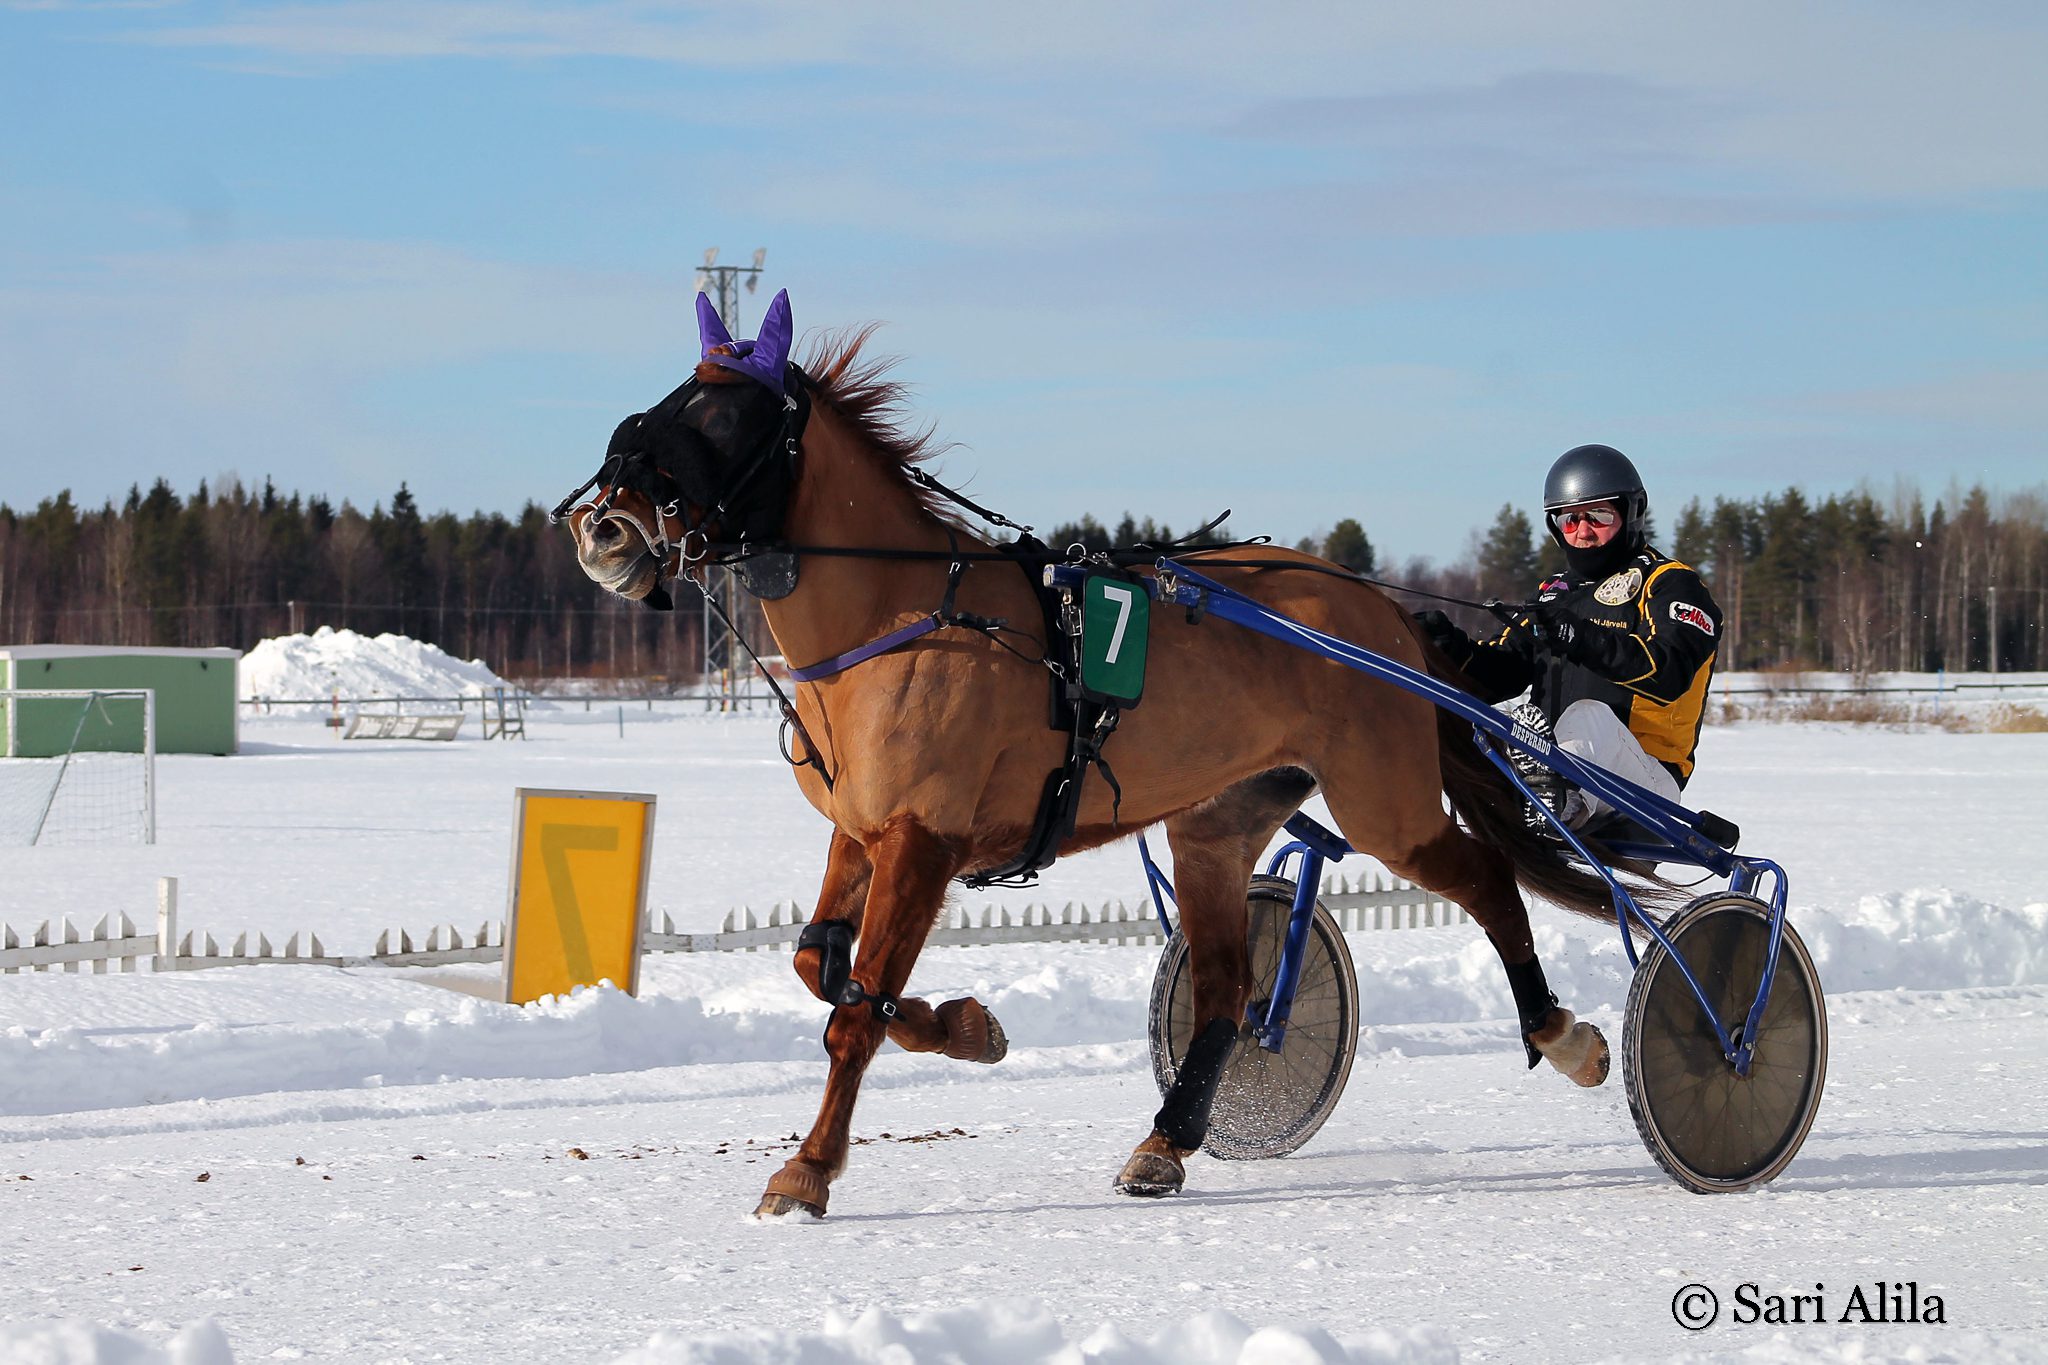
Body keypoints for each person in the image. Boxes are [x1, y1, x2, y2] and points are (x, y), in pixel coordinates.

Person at [1416, 444, 1723, 830]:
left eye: (1598, 516)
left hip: (1644, 781)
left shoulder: (1670, 584)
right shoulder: (1555, 593)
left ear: (1632, 512)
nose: (1583, 532)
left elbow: (1669, 674)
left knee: (1588, 714)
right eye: (1570, 520)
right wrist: (1444, 649)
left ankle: (1557, 802)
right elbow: (1501, 673)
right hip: (1552, 762)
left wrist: (1578, 636)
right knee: (1477, 726)